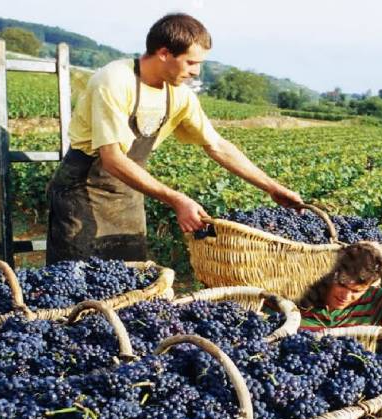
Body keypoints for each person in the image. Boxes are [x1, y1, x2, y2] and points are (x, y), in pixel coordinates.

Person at [46, 13, 302, 264]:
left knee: (129, 281)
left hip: (127, 196)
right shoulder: (114, 80)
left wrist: (272, 187)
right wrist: (176, 199)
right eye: (191, 62)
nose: (196, 72)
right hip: (81, 191)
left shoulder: (179, 95)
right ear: (165, 53)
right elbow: (112, 158)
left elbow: (217, 146)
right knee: (79, 283)